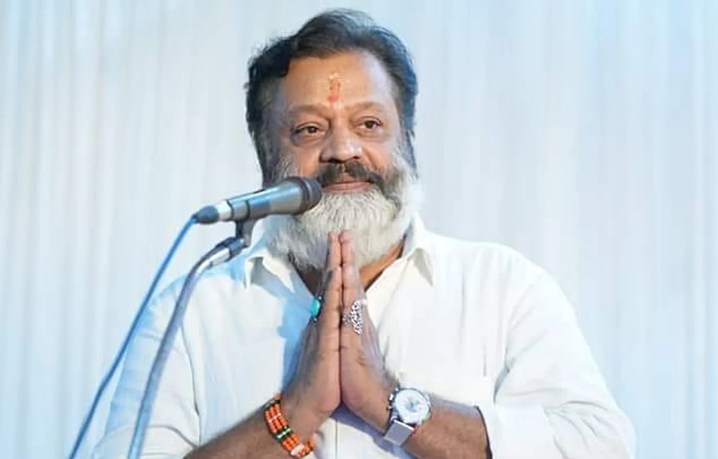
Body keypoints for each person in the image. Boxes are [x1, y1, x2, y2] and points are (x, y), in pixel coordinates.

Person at [94, 9, 634, 459]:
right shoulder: (192, 313)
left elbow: (601, 447)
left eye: (369, 125)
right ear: (267, 160)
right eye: (309, 129)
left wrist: (390, 404)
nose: (343, 150)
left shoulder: (503, 287)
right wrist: (291, 415)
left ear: (408, 141)